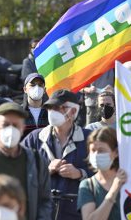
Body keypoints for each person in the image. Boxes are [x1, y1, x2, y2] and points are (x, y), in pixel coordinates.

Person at [23, 89, 92, 220]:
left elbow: (104, 174)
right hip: (41, 213)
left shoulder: (89, 138)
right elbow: (19, 171)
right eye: (50, 108)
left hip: (77, 213)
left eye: (58, 108)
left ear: (73, 112)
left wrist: (80, 173)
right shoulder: (34, 138)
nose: (52, 112)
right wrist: (45, 171)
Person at [78, 127, 127, 220]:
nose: (96, 155)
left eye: (101, 150)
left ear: (116, 152)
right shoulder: (88, 185)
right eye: (93, 150)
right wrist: (114, 190)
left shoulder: (128, 179)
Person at [22, 73, 48, 138]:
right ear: (25, 89)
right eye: (32, 85)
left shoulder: (50, 112)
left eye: (40, 85)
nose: (37, 88)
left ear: (44, 90)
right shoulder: (18, 112)